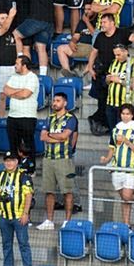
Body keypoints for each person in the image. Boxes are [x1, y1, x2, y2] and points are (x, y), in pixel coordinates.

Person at [99, 104, 134, 225]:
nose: (125, 116)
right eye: (123, 114)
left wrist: (127, 142)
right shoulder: (116, 129)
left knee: (127, 197)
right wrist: (106, 159)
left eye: (128, 114)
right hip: (116, 167)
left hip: (131, 168)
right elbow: (112, 147)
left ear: (132, 115)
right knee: (124, 198)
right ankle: (126, 225)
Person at [0, 151, 34, 266]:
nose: (9, 163)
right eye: (7, 160)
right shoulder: (0, 175)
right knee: (6, 244)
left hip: (19, 216)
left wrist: (25, 213)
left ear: (16, 162)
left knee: (23, 244)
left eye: (11, 160)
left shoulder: (23, 176)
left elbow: (29, 195)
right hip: (4, 216)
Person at [37, 93, 77, 230]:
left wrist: (50, 135)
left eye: (58, 100)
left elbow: (65, 136)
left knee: (67, 191)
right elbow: (42, 137)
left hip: (64, 159)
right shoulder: (50, 118)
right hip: (48, 158)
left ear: (65, 103)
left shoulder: (71, 118)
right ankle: (49, 221)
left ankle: (67, 221)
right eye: (54, 100)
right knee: (49, 191)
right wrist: (56, 138)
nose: (54, 103)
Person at [12, 0, 53, 74]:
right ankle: (43, 75)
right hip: (48, 21)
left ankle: (20, 64)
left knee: (16, 34)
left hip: (37, 19)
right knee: (41, 47)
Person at [3, 56, 39, 170]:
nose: (15, 66)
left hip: (27, 116)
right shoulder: (14, 76)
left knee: (28, 145)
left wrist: (13, 92)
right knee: (13, 145)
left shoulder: (32, 77)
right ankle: (15, 169)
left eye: (17, 64)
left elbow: (25, 94)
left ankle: (30, 169)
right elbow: (5, 90)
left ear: (24, 65)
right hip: (12, 116)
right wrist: (20, 90)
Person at [105, 44, 134, 133]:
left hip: (125, 105)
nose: (116, 57)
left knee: (123, 132)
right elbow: (108, 81)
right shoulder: (114, 62)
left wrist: (119, 81)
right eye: (115, 55)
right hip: (110, 103)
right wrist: (108, 79)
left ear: (126, 52)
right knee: (113, 132)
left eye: (118, 55)